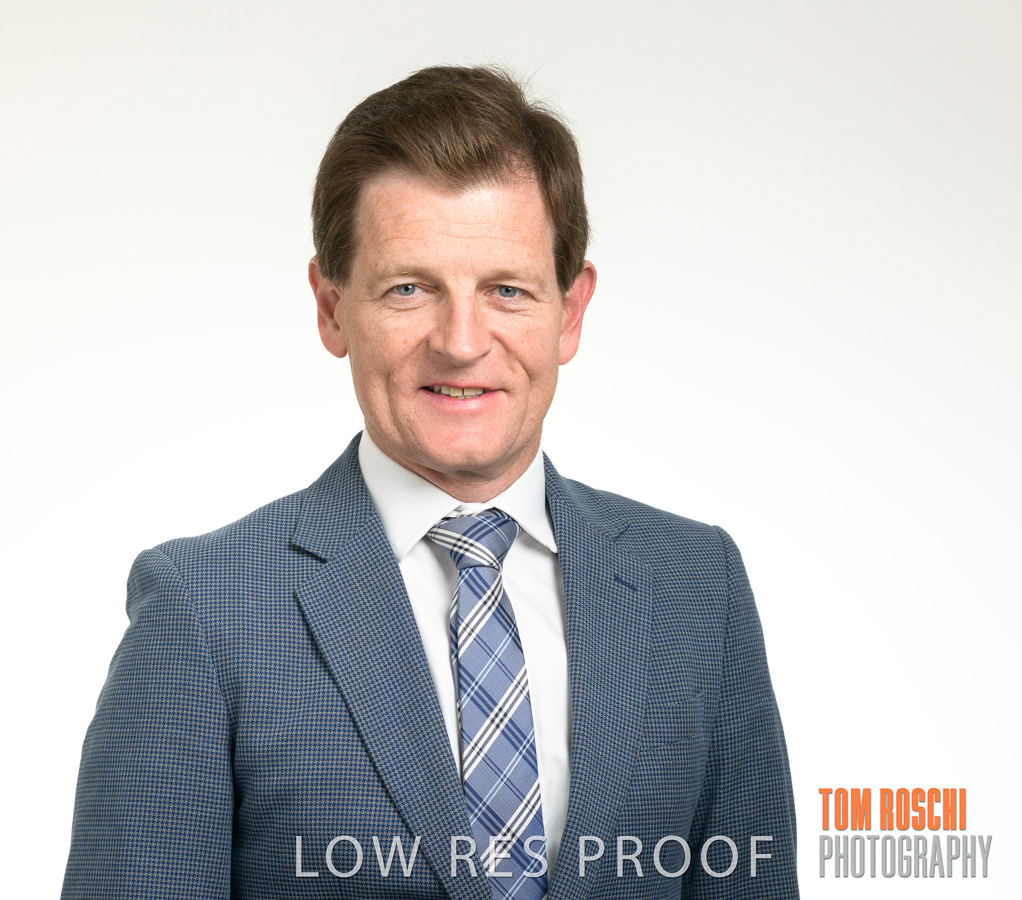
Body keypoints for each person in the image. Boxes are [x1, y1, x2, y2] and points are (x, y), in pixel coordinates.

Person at [62, 65, 798, 900]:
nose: (460, 341)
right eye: (409, 289)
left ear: (570, 311)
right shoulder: (203, 609)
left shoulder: (697, 587)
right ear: (332, 308)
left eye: (507, 290)